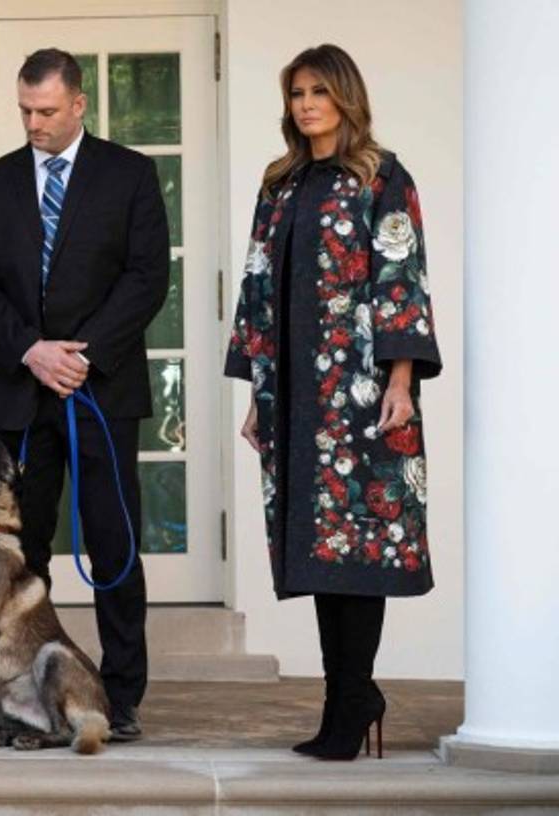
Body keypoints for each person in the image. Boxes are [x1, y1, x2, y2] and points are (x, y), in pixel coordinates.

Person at [225, 43, 442, 760]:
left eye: (320, 90)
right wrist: (258, 392)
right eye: (296, 94)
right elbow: (257, 286)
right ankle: (343, 699)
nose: (307, 104)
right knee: (317, 553)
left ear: (346, 96)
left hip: (359, 396)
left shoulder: (381, 176)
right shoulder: (280, 183)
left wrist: (402, 383)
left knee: (358, 546)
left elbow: (401, 280)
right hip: (293, 398)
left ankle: (353, 700)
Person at [0, 48, 170, 741]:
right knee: (22, 553)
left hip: (101, 390)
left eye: (46, 111)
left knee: (115, 545)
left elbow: (146, 277)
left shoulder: (130, 174)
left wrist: (83, 354)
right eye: (24, 110)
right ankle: (18, 697)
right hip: (21, 394)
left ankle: (123, 694)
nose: (34, 122)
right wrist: (31, 349)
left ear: (79, 104)